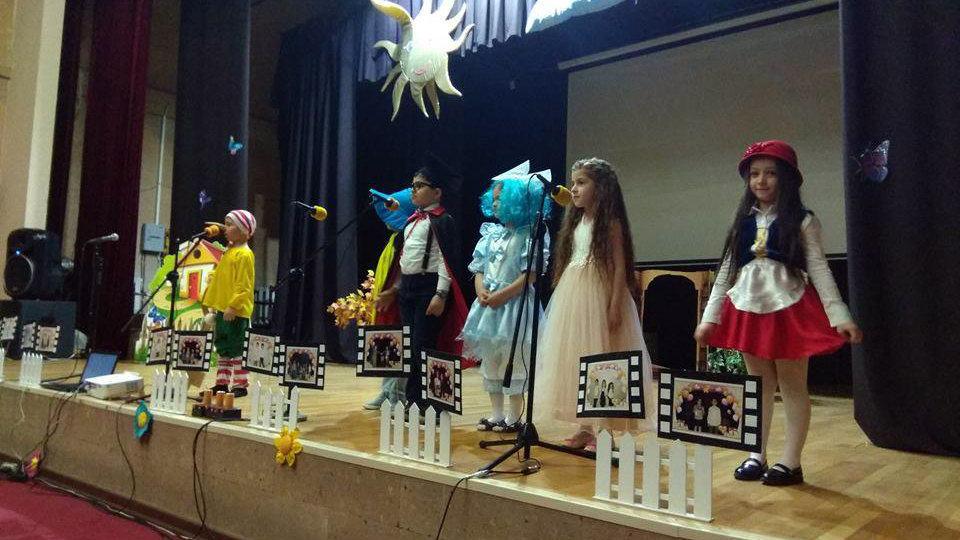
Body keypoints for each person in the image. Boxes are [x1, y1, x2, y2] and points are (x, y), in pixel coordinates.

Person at [694, 140, 863, 486]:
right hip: (748, 306)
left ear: (786, 177)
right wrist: (710, 317)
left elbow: (819, 269)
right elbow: (726, 270)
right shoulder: (742, 222)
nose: (761, 180)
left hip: (789, 306)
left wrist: (840, 315)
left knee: (792, 385)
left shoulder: (803, 221)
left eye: (770, 173)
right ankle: (756, 454)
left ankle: (791, 462)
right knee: (757, 386)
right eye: (754, 174)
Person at [535, 158, 654, 453]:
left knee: (603, 359)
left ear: (600, 188)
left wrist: (614, 304)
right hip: (574, 295)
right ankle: (584, 427)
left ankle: (605, 429)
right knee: (578, 357)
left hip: (601, 294)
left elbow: (620, 267)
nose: (573, 189)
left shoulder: (610, 223)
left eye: (581, 183)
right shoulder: (576, 222)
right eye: (573, 183)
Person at [459, 161, 552, 433]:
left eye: (500, 199)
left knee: (514, 359)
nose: (495, 204)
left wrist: (502, 295)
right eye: (494, 199)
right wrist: (480, 289)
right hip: (489, 308)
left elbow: (530, 275)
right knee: (491, 360)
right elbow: (478, 268)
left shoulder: (530, 234)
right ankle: (496, 413)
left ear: (516, 201)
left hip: (515, 307)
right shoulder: (491, 235)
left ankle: (514, 415)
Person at [376, 153, 468, 410]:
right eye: (412, 186)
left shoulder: (442, 220)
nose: (413, 190)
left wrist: (440, 295)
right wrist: (394, 289)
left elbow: (445, 262)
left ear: (437, 192)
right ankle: (413, 400)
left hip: (429, 289)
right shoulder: (412, 221)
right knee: (409, 346)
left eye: (419, 186)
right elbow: (405, 261)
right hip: (408, 288)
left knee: (423, 346)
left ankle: (432, 403)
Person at [362, 188, 416, 410]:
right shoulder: (394, 238)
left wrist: (393, 291)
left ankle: (397, 393)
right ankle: (386, 391)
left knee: (400, 345)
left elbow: (404, 270)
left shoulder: (407, 238)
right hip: (388, 300)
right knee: (388, 343)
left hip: (401, 298)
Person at [202, 209, 257, 398]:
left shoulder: (244, 254)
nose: (225, 228)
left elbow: (244, 284)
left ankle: (241, 384)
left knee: (237, 347)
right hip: (222, 309)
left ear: (244, 230)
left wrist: (233, 305)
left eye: (230, 224)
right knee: (223, 347)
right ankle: (222, 384)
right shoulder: (230, 252)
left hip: (235, 311)